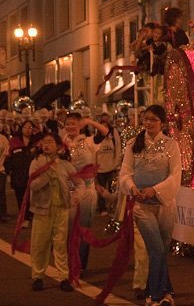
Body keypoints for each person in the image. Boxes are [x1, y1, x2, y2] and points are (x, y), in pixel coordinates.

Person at [119, 105, 181, 306]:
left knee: (162, 248)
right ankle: (153, 295)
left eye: (153, 119)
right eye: (145, 119)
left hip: (164, 204)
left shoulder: (171, 145)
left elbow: (175, 175)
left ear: (162, 123)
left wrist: (156, 190)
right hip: (141, 205)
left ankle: (166, 292)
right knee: (155, 247)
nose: (148, 123)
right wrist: (132, 187)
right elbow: (125, 173)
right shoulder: (133, 144)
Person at [62, 112, 109, 274]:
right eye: (67, 124)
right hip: (69, 190)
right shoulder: (62, 143)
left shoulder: (89, 142)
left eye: (73, 124)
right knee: (67, 229)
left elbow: (104, 132)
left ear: (80, 125)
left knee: (84, 228)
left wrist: (89, 120)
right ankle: (69, 262)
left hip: (87, 191)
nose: (70, 127)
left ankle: (81, 265)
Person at [29, 133, 75, 292]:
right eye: (44, 142)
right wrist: (47, 173)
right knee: (40, 244)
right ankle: (37, 276)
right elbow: (33, 186)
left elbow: (79, 182)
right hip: (42, 209)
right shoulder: (36, 162)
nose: (46, 145)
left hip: (61, 208)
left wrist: (76, 196)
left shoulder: (64, 164)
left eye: (50, 142)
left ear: (58, 146)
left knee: (60, 244)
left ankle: (63, 277)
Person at [6, 121, 38, 228]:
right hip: (18, 175)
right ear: (21, 128)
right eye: (25, 127)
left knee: (32, 198)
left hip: (33, 175)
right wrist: (8, 171)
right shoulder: (14, 141)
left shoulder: (37, 141)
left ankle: (31, 217)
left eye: (30, 127)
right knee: (20, 198)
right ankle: (24, 218)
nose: (28, 129)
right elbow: (8, 158)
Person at [95, 118, 122, 216]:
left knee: (112, 188)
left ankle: (112, 207)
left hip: (112, 167)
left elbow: (118, 149)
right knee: (101, 189)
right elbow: (94, 154)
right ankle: (102, 208)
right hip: (100, 169)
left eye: (105, 126)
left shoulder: (113, 136)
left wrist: (116, 164)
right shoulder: (96, 138)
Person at [0, 130, 9, 222]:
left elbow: (7, 153)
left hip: (1, 169)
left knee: (1, 192)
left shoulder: (3, 139)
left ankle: (2, 214)